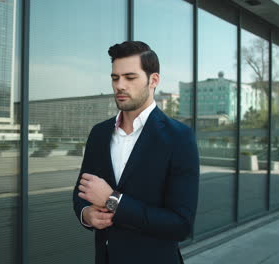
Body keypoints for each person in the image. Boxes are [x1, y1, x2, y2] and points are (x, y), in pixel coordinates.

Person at [73, 41, 199, 264]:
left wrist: (113, 200)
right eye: (115, 78)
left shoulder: (179, 138)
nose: (120, 85)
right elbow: (81, 193)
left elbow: (181, 225)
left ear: (153, 80)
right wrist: (87, 215)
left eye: (130, 78)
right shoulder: (99, 133)